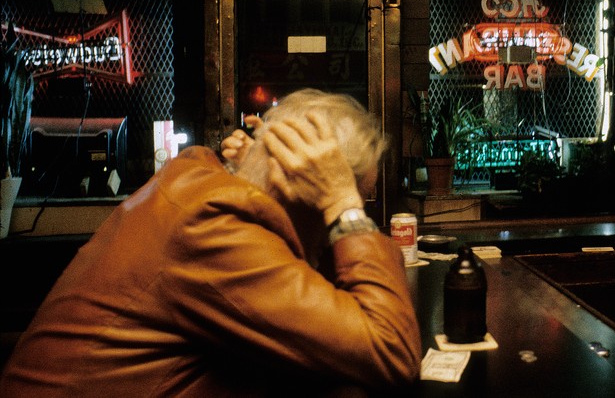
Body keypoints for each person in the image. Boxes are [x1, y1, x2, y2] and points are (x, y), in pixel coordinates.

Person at [0, 89, 422, 397]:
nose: (343, 221)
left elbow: (320, 288)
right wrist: (343, 203)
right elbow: (390, 351)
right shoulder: (218, 227)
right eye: (349, 198)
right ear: (302, 185)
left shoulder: (204, 179)